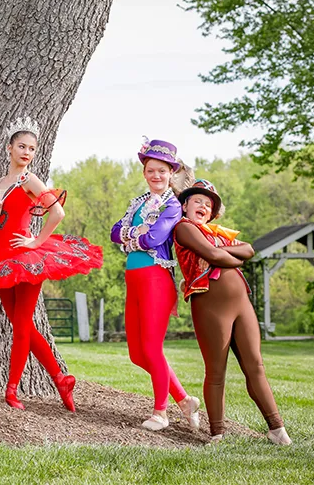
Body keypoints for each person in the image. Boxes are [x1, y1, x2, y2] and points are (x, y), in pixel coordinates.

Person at [0, 116, 103, 412]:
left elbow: (57, 214)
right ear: (9, 148)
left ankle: (12, 389)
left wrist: (36, 242)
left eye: (31, 148)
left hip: (26, 259)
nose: (27, 152)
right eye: (21, 146)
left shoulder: (29, 180)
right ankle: (61, 378)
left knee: (21, 327)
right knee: (21, 324)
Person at [173, 179, 291, 445]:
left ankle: (277, 429)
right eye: (197, 201)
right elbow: (213, 256)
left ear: (213, 212)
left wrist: (225, 252)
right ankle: (217, 432)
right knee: (216, 371)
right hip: (209, 304)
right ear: (185, 206)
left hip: (242, 305)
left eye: (208, 203)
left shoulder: (218, 234)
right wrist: (231, 255)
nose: (203, 206)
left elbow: (249, 249)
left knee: (256, 365)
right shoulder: (184, 228)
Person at [110, 138, 200, 431]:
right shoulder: (138, 201)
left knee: (151, 348)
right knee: (137, 353)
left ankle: (161, 412)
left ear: (171, 172)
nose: (156, 176)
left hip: (155, 278)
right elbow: (114, 232)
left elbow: (153, 239)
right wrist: (136, 231)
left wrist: (131, 234)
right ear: (144, 171)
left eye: (162, 171)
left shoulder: (172, 205)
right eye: (151, 170)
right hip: (133, 277)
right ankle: (185, 400)